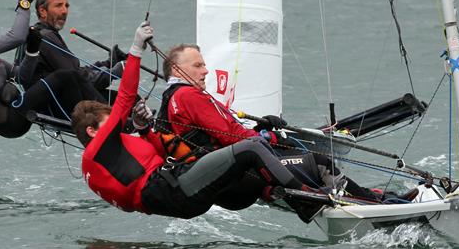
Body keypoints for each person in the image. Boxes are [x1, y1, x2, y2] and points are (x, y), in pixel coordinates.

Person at [71, 22, 317, 220]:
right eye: (108, 121)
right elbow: (125, 97)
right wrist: (135, 51)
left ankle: (277, 191)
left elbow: (146, 167)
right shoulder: (100, 147)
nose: (116, 125)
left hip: (173, 199)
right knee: (251, 148)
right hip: (174, 188)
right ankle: (306, 201)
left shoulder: (98, 166)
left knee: (244, 158)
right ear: (92, 131)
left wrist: (143, 129)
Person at [145, 44, 419, 205]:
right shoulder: (189, 95)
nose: (205, 70)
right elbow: (230, 137)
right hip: (235, 175)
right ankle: (381, 205)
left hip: (220, 177)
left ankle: (377, 197)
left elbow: (224, 133)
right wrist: (268, 136)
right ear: (179, 71)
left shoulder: (172, 97)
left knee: (306, 165)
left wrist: (262, 129)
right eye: (198, 65)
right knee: (319, 163)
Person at [0, 0, 105, 138]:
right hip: (9, 120)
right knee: (65, 76)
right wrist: (24, 3)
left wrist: (32, 51)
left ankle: (101, 113)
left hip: (16, 112)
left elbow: (21, 77)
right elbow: (16, 37)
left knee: (70, 80)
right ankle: (107, 117)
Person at [31, 0, 126, 102]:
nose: (64, 11)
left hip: (60, 99)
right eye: (58, 5)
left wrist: (109, 63)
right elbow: (80, 80)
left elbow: (77, 71)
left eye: (66, 6)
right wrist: (113, 73)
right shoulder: (46, 37)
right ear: (42, 11)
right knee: (129, 100)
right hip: (62, 106)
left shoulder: (40, 33)